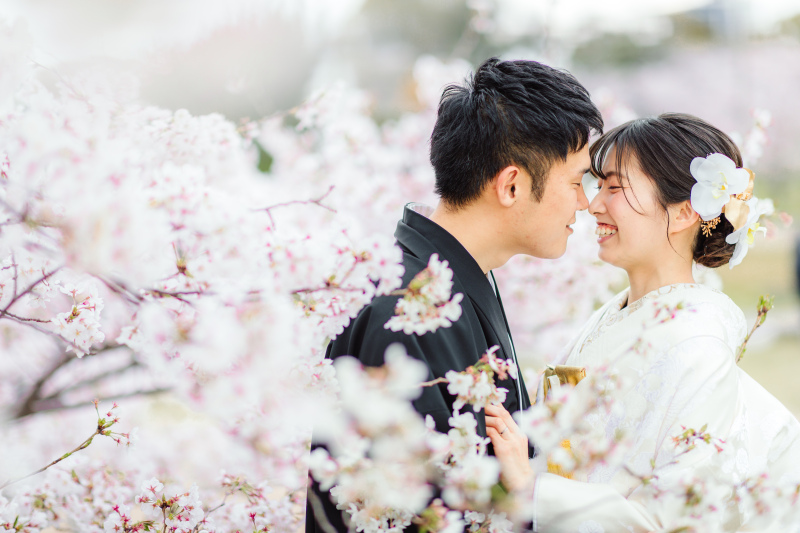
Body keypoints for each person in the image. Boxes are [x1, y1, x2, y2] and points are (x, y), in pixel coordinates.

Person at [305, 57, 604, 532]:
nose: (585, 202)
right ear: (511, 185)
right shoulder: (406, 313)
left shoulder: (448, 279)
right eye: (575, 181)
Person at [485, 113, 800, 532]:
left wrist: (533, 489)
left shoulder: (698, 341)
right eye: (597, 185)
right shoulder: (620, 313)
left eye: (614, 187)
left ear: (686, 211)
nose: (593, 204)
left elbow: (673, 517)